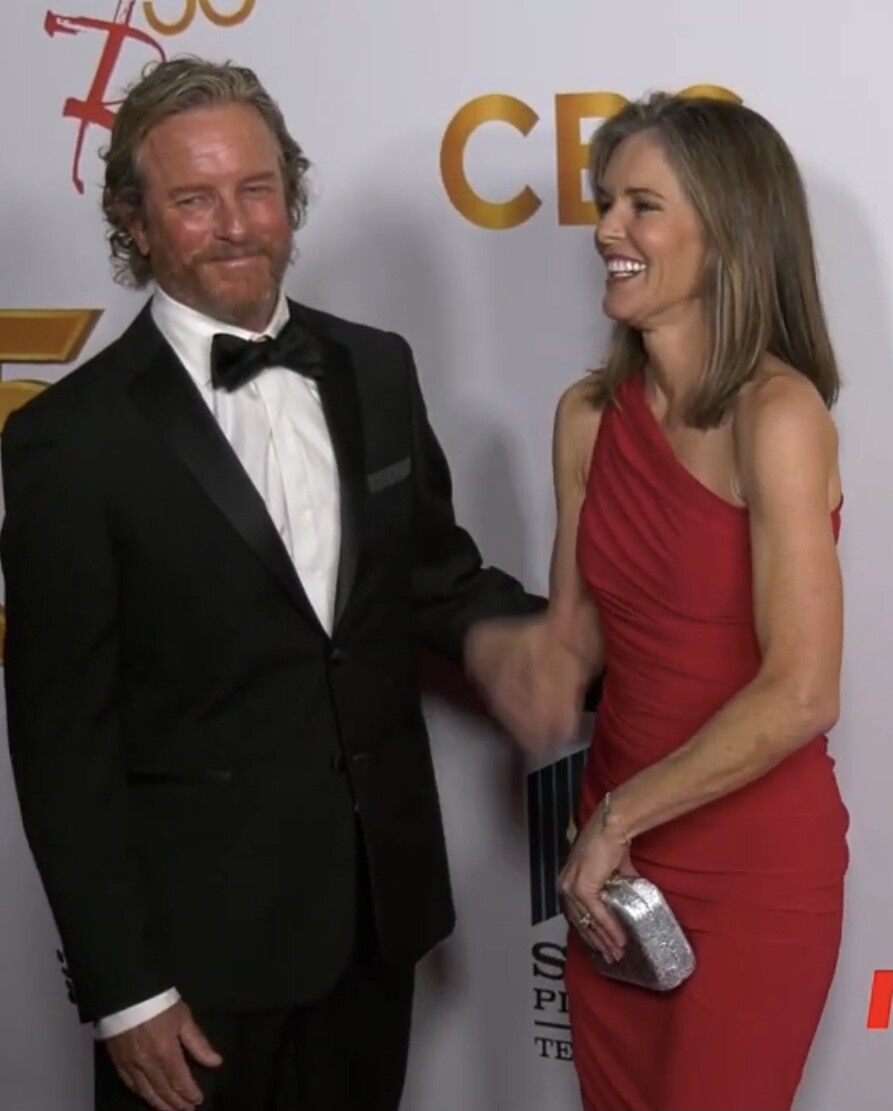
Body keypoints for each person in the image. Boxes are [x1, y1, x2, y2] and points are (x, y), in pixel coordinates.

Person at [0, 58, 585, 1111]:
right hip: (194, 960)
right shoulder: (66, 441)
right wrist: (126, 994)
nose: (236, 226)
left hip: (374, 919)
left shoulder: (376, 366)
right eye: (194, 199)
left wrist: (534, 642)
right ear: (135, 221)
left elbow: (430, 576)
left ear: (291, 194)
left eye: (256, 189)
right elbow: (59, 744)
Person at [540, 93, 848, 1110]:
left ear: (726, 234)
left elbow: (800, 691)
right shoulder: (586, 416)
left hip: (747, 870)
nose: (605, 229)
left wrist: (615, 818)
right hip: (612, 879)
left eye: (641, 205)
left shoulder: (778, 414)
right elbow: (570, 648)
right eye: (604, 202)